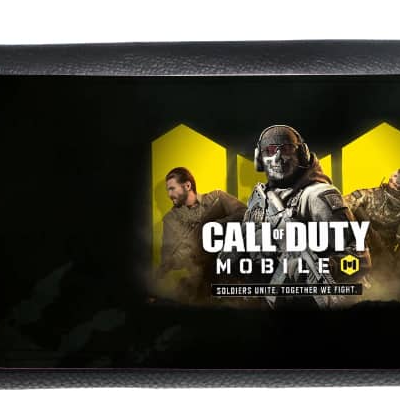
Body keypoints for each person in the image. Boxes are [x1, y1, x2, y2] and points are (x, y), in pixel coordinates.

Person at [242, 124, 370, 306]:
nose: (277, 158)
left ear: (302, 154)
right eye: (269, 151)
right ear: (259, 159)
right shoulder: (259, 199)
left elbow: (361, 259)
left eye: (286, 149)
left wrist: (325, 267)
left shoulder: (318, 196)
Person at [158, 167, 245, 303]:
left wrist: (216, 226)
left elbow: (245, 213)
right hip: (201, 283)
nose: (169, 194)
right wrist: (189, 250)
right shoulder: (171, 219)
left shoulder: (216, 198)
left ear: (187, 186)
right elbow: (167, 259)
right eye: (168, 190)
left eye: (172, 188)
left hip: (232, 275)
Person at [345, 168, 400, 301]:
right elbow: (336, 213)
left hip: (385, 255)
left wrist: (395, 259)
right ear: (396, 189)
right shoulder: (365, 196)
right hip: (355, 253)